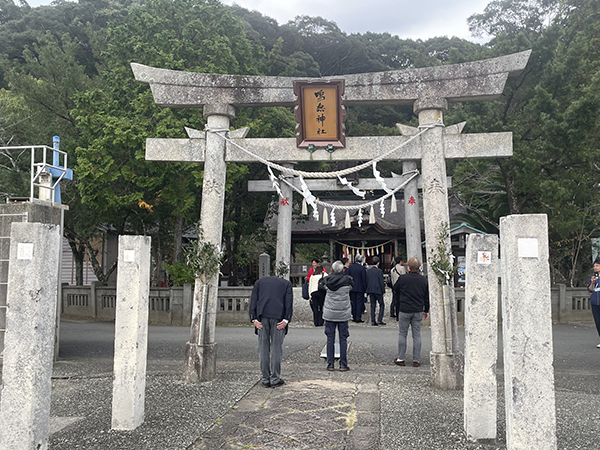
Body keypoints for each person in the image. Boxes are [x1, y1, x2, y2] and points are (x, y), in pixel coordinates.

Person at [249, 274, 293, 387]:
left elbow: (253, 301)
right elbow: (289, 303)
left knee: (263, 348)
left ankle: (265, 378)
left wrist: (253, 318)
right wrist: (286, 319)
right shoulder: (286, 284)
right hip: (278, 318)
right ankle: (275, 378)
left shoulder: (259, 282)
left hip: (262, 318)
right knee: (276, 348)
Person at [393, 257, 429, 367]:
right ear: (419, 267)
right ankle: (416, 359)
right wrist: (426, 310)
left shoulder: (403, 278)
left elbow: (395, 289)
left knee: (402, 334)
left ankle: (401, 358)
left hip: (404, 308)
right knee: (417, 335)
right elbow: (426, 297)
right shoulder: (423, 280)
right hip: (417, 309)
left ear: (408, 267)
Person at [322, 260, 353, 371]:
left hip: (330, 312)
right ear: (343, 270)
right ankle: (343, 364)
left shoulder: (326, 281)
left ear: (331, 270)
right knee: (343, 338)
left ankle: (330, 363)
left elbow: (321, 288)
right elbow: (351, 289)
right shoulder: (348, 281)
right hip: (343, 312)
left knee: (330, 338)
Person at [345, 255, 367, 322]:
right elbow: (364, 279)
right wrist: (365, 288)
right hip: (360, 288)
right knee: (359, 303)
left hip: (352, 287)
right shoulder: (362, 268)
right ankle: (358, 317)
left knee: (353, 302)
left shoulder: (350, 267)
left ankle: (354, 316)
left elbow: (348, 277)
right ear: (361, 261)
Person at [366, 256, 386, 326]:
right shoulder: (379, 271)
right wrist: (383, 291)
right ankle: (380, 319)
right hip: (378, 289)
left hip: (371, 289)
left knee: (373, 305)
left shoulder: (368, 271)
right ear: (378, 263)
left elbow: (367, 281)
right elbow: (381, 282)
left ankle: (373, 320)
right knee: (382, 304)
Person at [588, 258, 600, 348]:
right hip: (595, 301)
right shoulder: (592, 277)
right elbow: (590, 289)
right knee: (598, 321)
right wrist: (593, 282)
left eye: (597, 265)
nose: (595, 267)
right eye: (594, 266)